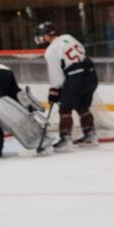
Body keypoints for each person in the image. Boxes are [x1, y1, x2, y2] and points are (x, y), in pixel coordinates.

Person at [35, 21, 99, 150]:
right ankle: (90, 136)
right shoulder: (68, 37)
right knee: (82, 106)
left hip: (76, 78)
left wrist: (54, 90)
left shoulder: (51, 50)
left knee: (65, 109)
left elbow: (56, 76)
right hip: (91, 75)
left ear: (47, 35)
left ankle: (66, 140)